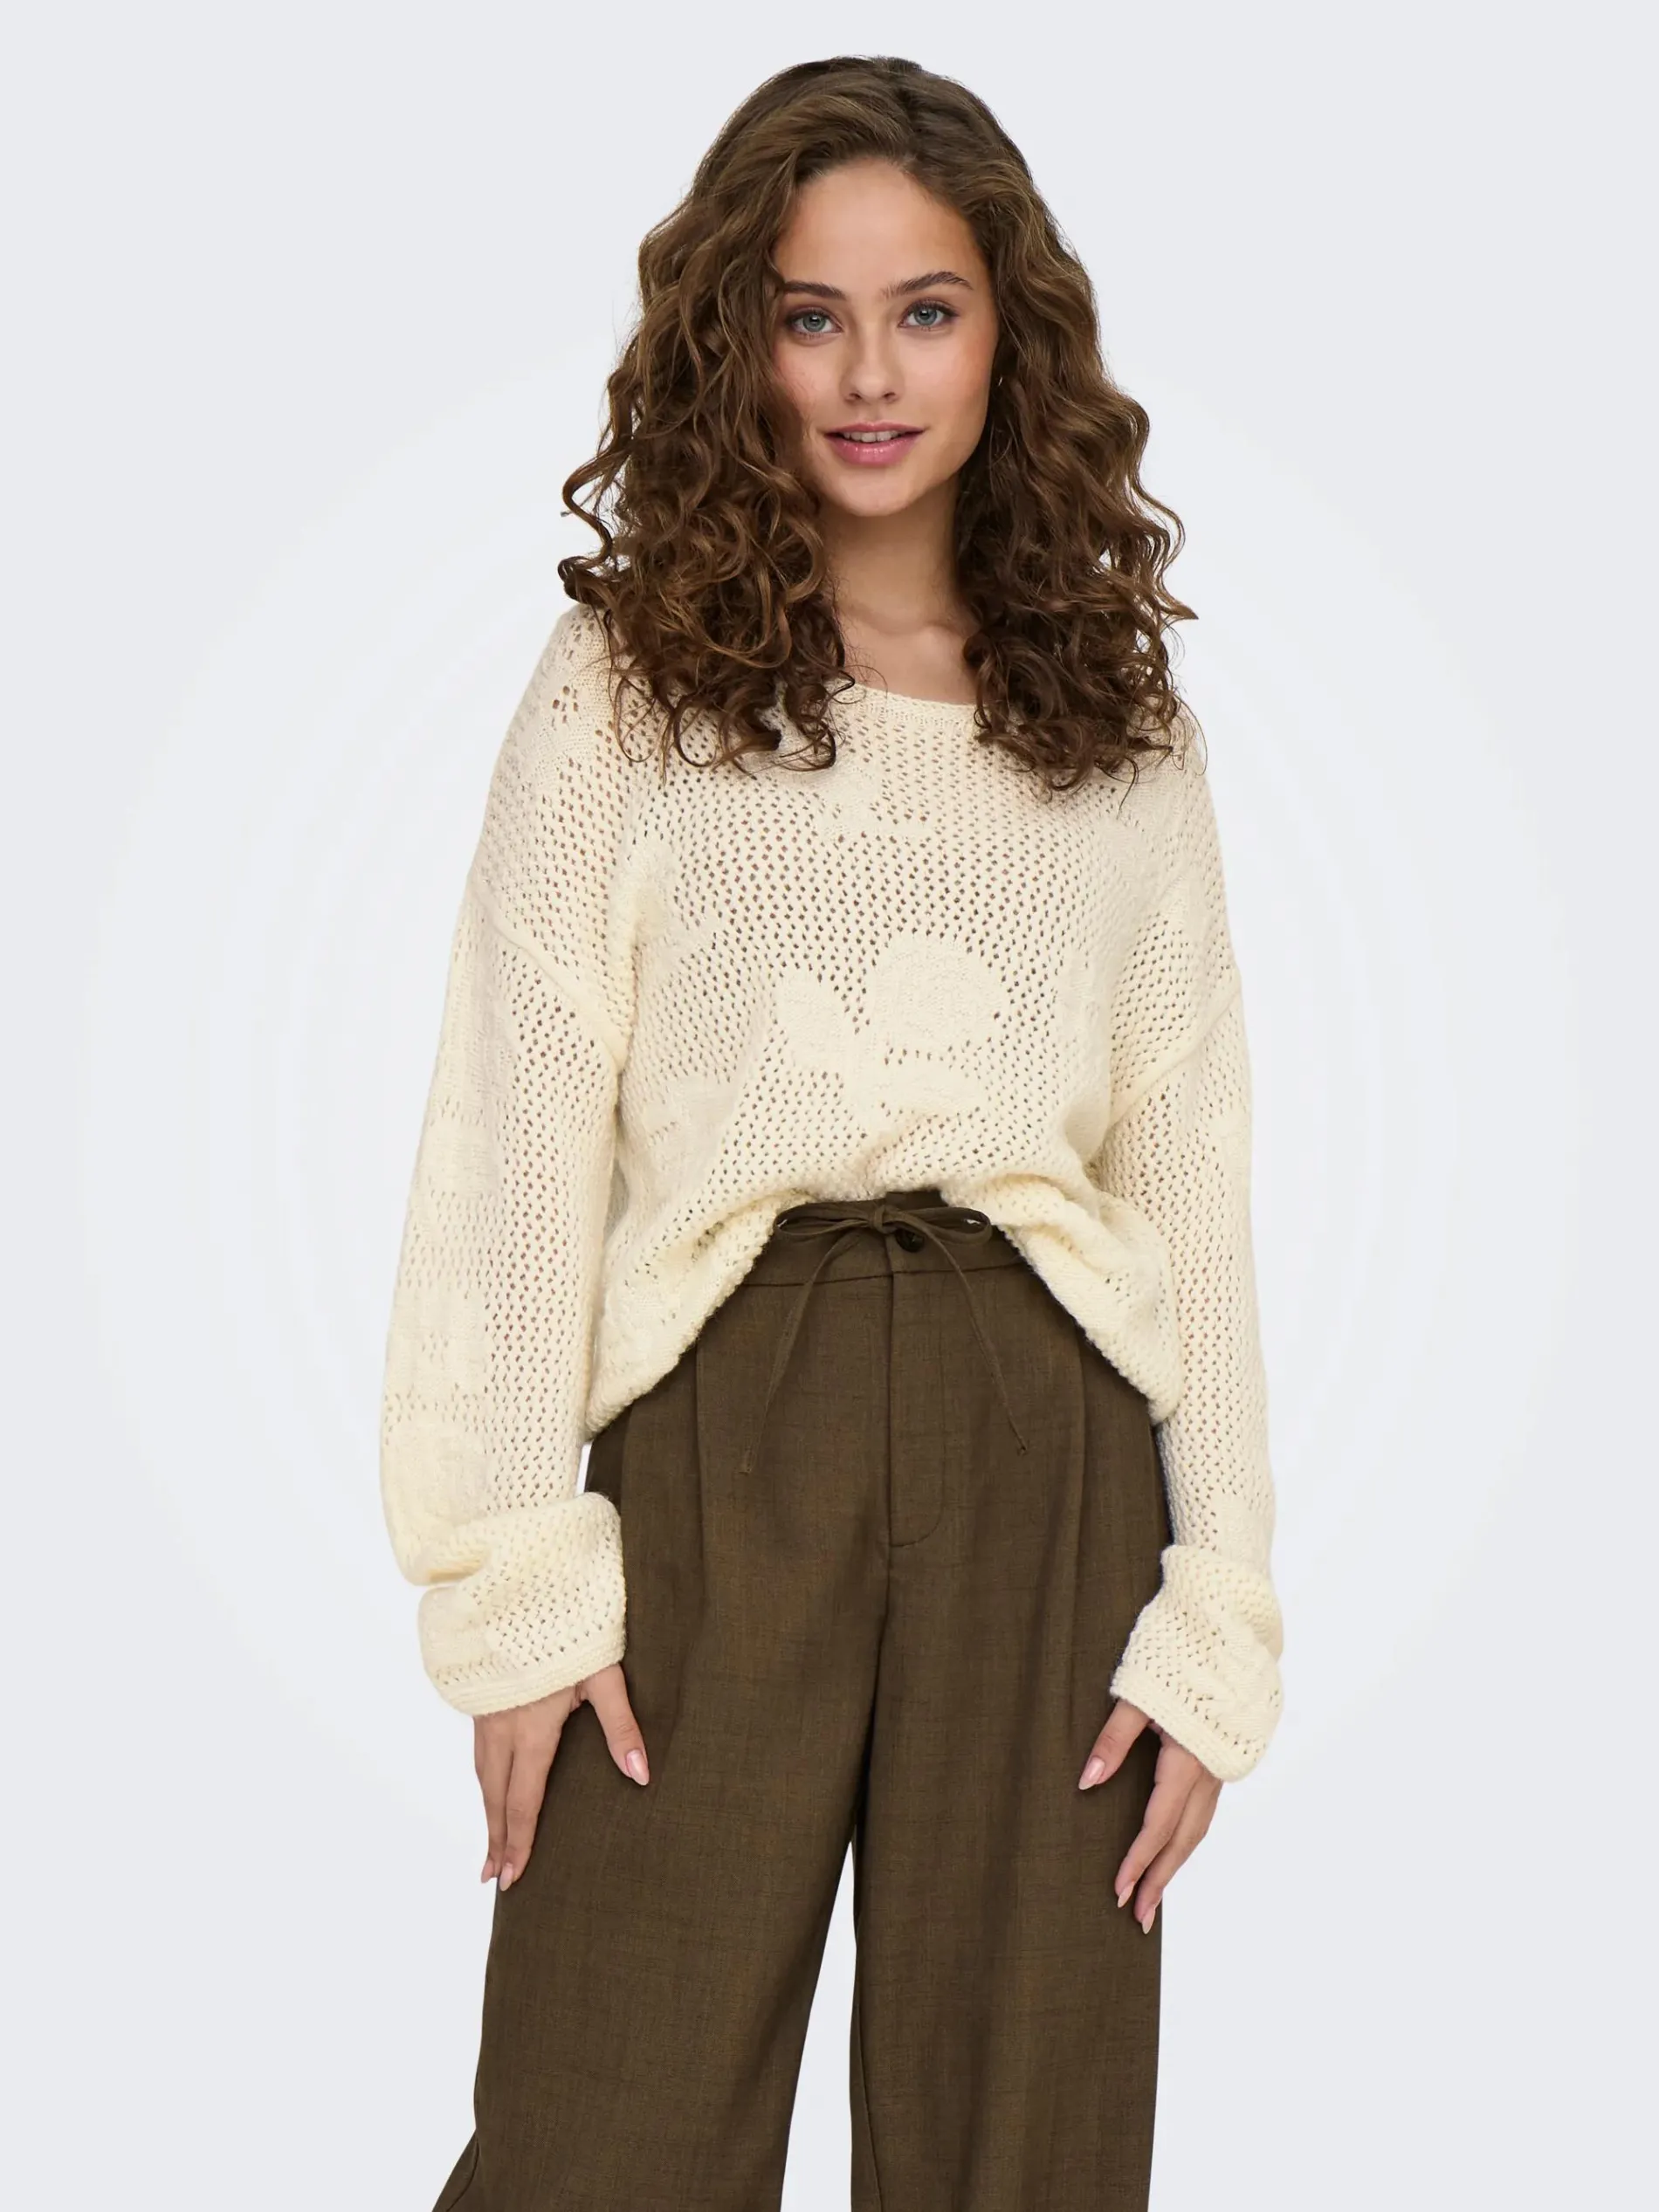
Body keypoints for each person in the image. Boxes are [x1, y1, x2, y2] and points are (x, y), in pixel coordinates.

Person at [379, 52, 1284, 2212]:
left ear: (1005, 336)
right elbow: (515, 1123)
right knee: (605, 2124)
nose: (869, 375)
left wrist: (1220, 1604)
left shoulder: (1115, 724)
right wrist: (516, 1577)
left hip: (1046, 1442)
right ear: (737, 342)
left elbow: (1190, 1171)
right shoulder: (627, 686)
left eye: (924, 310)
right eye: (810, 315)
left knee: (1018, 2146)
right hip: (724, 1425)